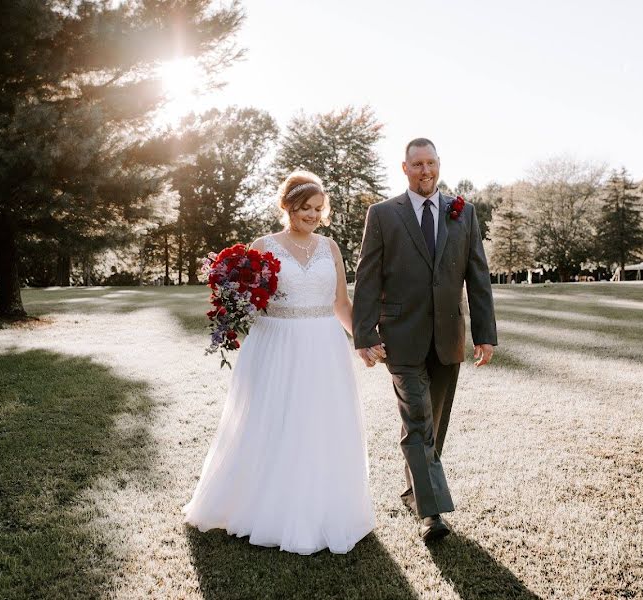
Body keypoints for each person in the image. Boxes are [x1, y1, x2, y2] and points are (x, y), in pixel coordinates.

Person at [183, 171, 376, 555]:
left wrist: (365, 341)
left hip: (324, 345)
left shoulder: (330, 247)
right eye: (306, 207)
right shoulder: (263, 245)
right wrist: (233, 311)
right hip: (277, 344)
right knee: (274, 421)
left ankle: (321, 509)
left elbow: (340, 305)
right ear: (288, 206)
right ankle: (263, 507)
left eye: (319, 209)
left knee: (320, 425)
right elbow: (249, 300)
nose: (313, 215)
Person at [353, 138, 498, 542]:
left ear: (439, 164)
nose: (425, 170)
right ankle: (432, 514)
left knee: (432, 423)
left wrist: (484, 334)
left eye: (430, 162)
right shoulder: (382, 214)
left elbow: (478, 275)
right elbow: (368, 277)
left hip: (448, 337)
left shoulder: (463, 212)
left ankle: (412, 489)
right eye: (416, 164)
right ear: (404, 169)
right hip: (400, 338)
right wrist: (365, 334)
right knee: (418, 420)